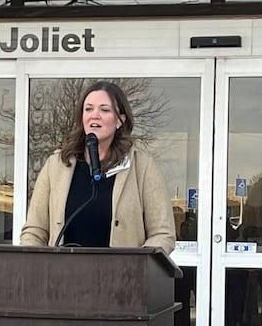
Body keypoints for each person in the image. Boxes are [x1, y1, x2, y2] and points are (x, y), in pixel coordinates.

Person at [20, 81, 175, 253]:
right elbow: (34, 232)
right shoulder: (56, 166)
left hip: (121, 276)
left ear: (120, 120)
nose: (95, 115)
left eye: (104, 109)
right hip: (61, 277)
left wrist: (137, 266)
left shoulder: (142, 167)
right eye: (88, 109)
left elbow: (162, 233)